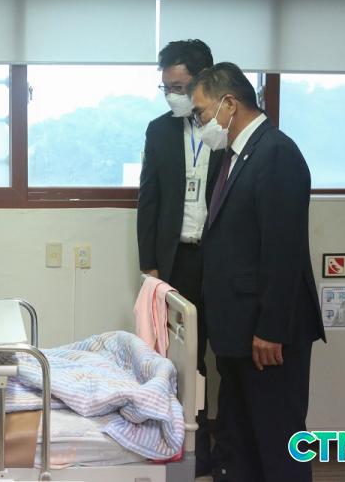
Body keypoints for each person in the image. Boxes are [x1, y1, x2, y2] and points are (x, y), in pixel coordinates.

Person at [189, 62, 326, 482]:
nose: (200, 122)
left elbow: (283, 252)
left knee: (277, 440)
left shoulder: (276, 154)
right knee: (240, 436)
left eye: (201, 111)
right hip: (237, 330)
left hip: (267, 335)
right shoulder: (232, 156)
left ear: (229, 103)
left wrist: (270, 329)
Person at [136, 39, 222, 476]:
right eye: (166, 87)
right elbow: (148, 198)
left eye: (180, 87)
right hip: (177, 259)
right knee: (183, 359)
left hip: (221, 259)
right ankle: (187, 447)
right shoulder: (159, 130)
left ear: (204, 81)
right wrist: (149, 266)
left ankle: (225, 450)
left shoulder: (227, 126)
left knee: (226, 355)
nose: (173, 95)